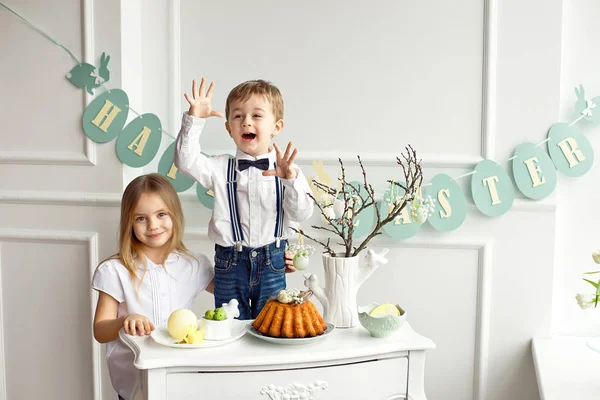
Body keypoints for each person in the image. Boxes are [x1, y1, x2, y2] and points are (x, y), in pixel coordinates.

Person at [174, 77, 314, 320]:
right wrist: (194, 119)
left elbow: (302, 213)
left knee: (272, 326)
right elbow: (185, 161)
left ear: (276, 127)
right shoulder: (219, 167)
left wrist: (289, 179)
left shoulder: (290, 171)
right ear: (229, 127)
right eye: (238, 116)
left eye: (257, 115)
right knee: (228, 327)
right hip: (230, 263)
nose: (246, 121)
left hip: (273, 262)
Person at [92, 173, 215, 400]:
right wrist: (123, 321)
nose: (153, 225)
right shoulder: (115, 270)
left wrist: (275, 266)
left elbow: (238, 289)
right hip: (135, 385)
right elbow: (100, 330)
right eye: (141, 218)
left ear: (174, 215)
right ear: (129, 222)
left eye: (161, 214)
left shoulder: (193, 265)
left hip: (182, 380)